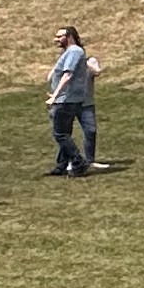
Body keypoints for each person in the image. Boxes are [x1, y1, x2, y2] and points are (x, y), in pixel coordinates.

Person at [46, 27, 101, 176]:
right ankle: (62, 165)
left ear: (69, 36)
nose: (56, 40)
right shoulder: (69, 52)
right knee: (65, 133)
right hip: (66, 98)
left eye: (59, 36)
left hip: (66, 100)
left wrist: (55, 96)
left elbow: (68, 75)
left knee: (60, 134)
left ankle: (78, 162)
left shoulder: (74, 51)